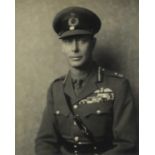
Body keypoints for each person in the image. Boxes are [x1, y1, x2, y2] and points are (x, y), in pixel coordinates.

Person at [35, 6, 138, 155]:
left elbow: (127, 144)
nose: (74, 48)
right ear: (62, 47)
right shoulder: (56, 88)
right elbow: (45, 141)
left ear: (93, 43)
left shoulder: (117, 86)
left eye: (82, 40)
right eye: (68, 41)